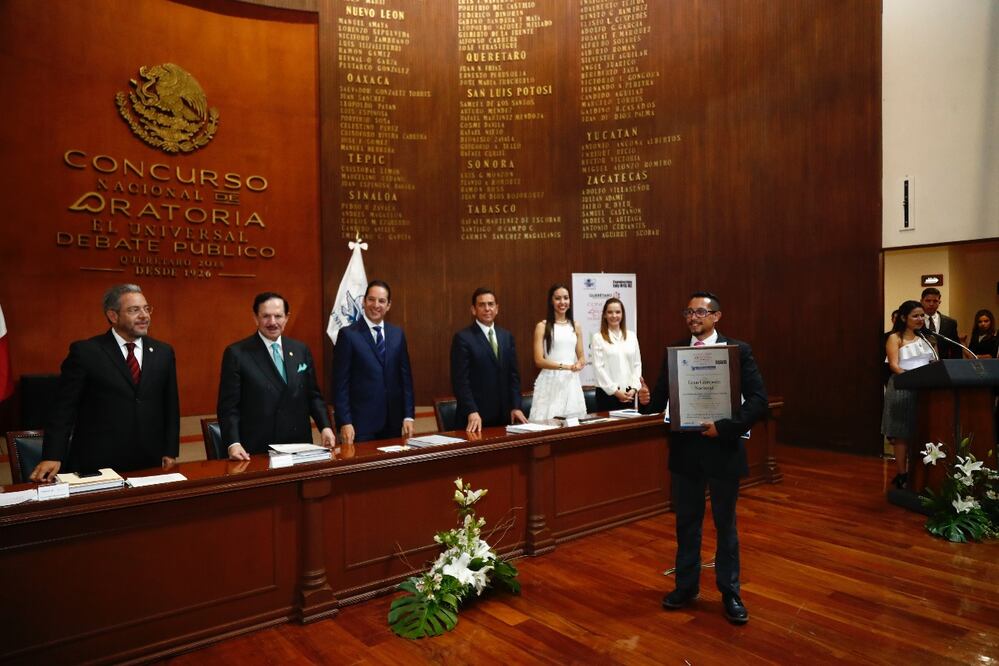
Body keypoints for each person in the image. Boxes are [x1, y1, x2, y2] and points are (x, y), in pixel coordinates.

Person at [639, 291, 767, 625]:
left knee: (725, 524)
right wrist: (645, 399)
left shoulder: (737, 351)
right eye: (688, 312)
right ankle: (685, 587)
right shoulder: (676, 352)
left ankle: (730, 592)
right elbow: (658, 401)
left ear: (716, 316)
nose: (692, 318)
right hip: (686, 451)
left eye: (699, 312)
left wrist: (724, 428)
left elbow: (758, 401)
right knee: (686, 523)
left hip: (723, 449)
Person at [30, 284, 179, 481]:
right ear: (113, 316)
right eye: (134, 310)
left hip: (150, 459)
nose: (144, 316)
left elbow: (171, 406)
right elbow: (63, 409)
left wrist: (170, 450)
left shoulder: (163, 352)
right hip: (98, 462)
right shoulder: (86, 352)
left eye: (146, 308)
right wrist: (52, 454)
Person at [217, 292, 334, 460]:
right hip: (258, 449)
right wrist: (233, 443)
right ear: (255, 318)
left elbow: (313, 395)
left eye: (278, 316)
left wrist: (325, 427)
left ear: (286, 318)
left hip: (299, 446)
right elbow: (229, 407)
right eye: (266, 316)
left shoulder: (301, 350)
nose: (272, 322)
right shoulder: (237, 354)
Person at [332, 280, 415, 443]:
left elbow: (406, 379)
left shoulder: (397, 334)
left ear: (388, 305)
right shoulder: (348, 335)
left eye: (382, 301)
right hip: (360, 426)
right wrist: (345, 421)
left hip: (394, 424)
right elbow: (340, 384)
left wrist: (408, 416)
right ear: (363, 302)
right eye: (371, 299)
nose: (376, 305)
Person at [450, 287, 528, 431]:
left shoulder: (506, 336)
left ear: (497, 308)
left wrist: (516, 406)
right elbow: (460, 381)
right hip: (476, 419)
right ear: (473, 310)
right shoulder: (463, 338)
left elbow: (514, 376)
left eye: (491, 304)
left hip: (505, 417)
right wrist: (471, 410)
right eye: (482, 305)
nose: (487, 309)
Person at [882, 299, 937, 489]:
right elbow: (894, 365)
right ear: (904, 318)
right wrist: (913, 379)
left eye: (922, 316)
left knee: (920, 431)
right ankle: (902, 474)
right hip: (902, 389)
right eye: (915, 316)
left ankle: (919, 473)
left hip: (923, 390)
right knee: (901, 433)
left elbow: (934, 364)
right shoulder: (895, 337)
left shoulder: (928, 338)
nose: (920, 319)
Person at [529, 283, 587, 421]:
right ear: (551, 301)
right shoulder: (542, 326)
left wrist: (579, 364)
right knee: (546, 422)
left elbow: (581, 356)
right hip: (550, 381)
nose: (562, 302)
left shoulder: (576, 325)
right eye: (558, 298)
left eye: (566, 298)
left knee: (573, 423)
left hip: (571, 381)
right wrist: (566, 367)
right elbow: (539, 360)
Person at [590, 297, 643, 412]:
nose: (614, 315)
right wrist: (615, 391)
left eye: (618, 312)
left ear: (622, 314)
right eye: (610, 312)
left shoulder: (631, 336)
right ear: (604, 315)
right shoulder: (598, 338)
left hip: (629, 393)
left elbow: (637, 364)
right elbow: (599, 368)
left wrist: (634, 388)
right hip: (607, 394)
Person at [920, 287, 960, 359]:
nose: (931, 304)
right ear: (921, 301)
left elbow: (955, 349)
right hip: (921, 362)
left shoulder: (950, 323)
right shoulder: (916, 321)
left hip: (943, 362)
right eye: (928, 301)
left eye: (935, 301)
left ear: (939, 302)